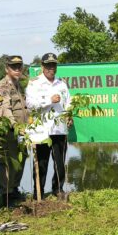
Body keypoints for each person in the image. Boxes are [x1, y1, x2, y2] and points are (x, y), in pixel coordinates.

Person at [25, 52, 72, 199]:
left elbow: (68, 102)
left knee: (59, 162)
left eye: (53, 65)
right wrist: (48, 100)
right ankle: (38, 192)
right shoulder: (34, 83)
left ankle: (58, 189)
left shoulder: (62, 83)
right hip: (42, 130)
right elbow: (30, 105)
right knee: (41, 163)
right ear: (42, 66)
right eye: (48, 65)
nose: (51, 68)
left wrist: (69, 115)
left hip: (59, 129)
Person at [0, 55, 29, 207]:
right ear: (6, 69)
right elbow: (6, 109)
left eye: (19, 66)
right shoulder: (3, 86)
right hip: (9, 131)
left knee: (20, 160)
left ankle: (14, 189)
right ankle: (6, 195)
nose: (17, 69)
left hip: (21, 132)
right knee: (8, 163)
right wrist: (15, 126)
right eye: (13, 67)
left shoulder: (18, 85)